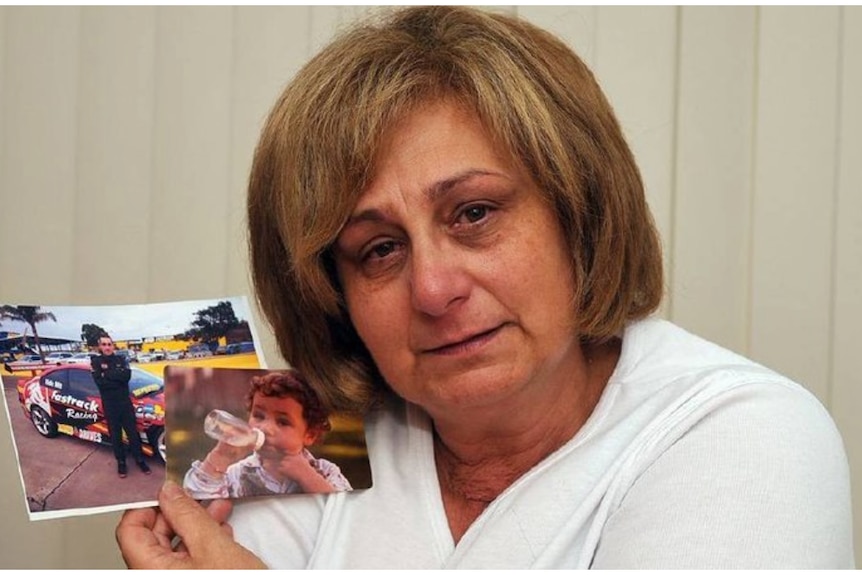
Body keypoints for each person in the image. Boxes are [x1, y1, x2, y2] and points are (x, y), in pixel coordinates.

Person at [116, 6, 854, 569]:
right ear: (334, 293)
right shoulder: (316, 434)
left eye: (474, 213)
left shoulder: (747, 432)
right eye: (378, 249)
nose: (434, 288)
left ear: (579, 211)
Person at [184, 370, 352, 498]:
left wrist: (307, 477)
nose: (265, 428)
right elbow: (196, 498)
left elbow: (346, 512)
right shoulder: (237, 473)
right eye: (258, 416)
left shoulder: (325, 471)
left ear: (310, 435)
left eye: (283, 422)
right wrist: (219, 458)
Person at [91, 334, 151, 478]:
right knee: (115, 435)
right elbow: (100, 383)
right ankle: (121, 462)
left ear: (113, 346)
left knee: (133, 434)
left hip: (125, 403)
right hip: (110, 405)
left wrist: (107, 374)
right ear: (100, 347)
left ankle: (139, 459)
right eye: (104, 344)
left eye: (109, 344)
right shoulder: (95, 362)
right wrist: (116, 375)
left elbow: (126, 377)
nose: (107, 347)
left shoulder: (121, 359)